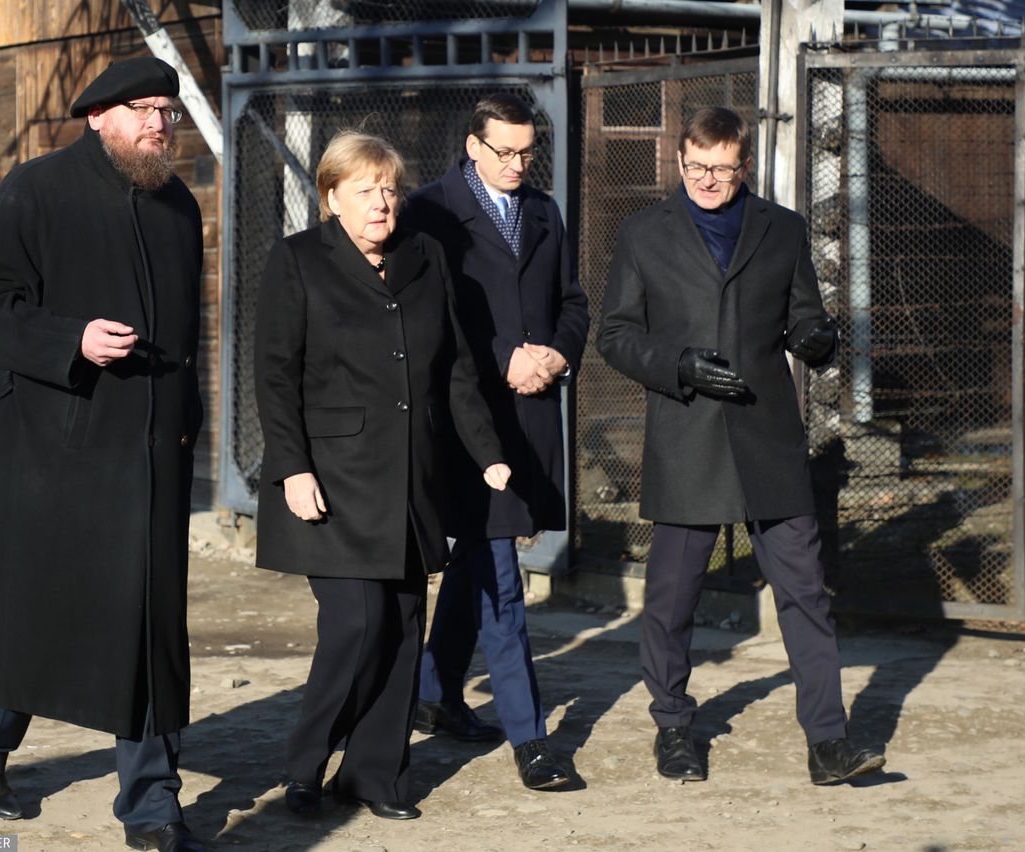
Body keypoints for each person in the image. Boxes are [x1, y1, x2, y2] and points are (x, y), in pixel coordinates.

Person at [0, 57, 207, 852]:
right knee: (33, 617)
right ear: (98, 115)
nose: (159, 124)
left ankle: (153, 805)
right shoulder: (34, 189)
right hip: (50, 452)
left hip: (152, 454)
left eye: (167, 110)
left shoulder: (180, 209)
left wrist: (185, 419)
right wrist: (73, 340)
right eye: (142, 110)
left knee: (147, 630)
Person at [596, 106, 885, 786]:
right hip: (687, 432)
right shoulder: (643, 233)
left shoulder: (781, 229)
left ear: (743, 165)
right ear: (680, 161)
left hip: (767, 438)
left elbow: (806, 315)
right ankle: (672, 728)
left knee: (806, 593)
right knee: (672, 598)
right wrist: (678, 366)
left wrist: (817, 340)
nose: (705, 180)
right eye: (694, 167)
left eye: (720, 169)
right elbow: (613, 335)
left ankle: (828, 742)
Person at [253, 130, 509, 821]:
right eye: (365, 191)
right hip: (330, 485)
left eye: (390, 190)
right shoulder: (298, 260)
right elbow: (274, 376)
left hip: (408, 483)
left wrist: (486, 451)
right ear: (331, 197)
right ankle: (305, 769)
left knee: (400, 627)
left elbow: (455, 367)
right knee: (356, 626)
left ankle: (373, 776)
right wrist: (292, 468)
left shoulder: (423, 258)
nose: (382, 203)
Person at [403, 93, 589, 790]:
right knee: (503, 590)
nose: (517, 164)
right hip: (463, 421)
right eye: (503, 151)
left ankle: (434, 691)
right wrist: (504, 354)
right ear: (472, 146)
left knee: (482, 559)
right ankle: (531, 740)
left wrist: (555, 356)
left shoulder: (543, 211)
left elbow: (573, 300)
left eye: (526, 151)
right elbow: (430, 315)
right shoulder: (429, 210)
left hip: (532, 410)